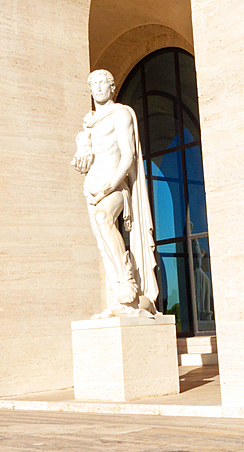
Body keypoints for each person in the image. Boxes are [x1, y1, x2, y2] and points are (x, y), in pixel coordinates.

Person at [71, 70, 159, 317]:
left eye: (103, 83)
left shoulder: (120, 113)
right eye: (93, 84)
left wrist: (111, 185)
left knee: (104, 218)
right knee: (101, 242)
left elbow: (128, 154)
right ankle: (118, 301)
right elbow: (87, 157)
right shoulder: (89, 122)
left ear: (112, 87)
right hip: (92, 186)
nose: (98, 88)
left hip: (115, 185)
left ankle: (126, 281)